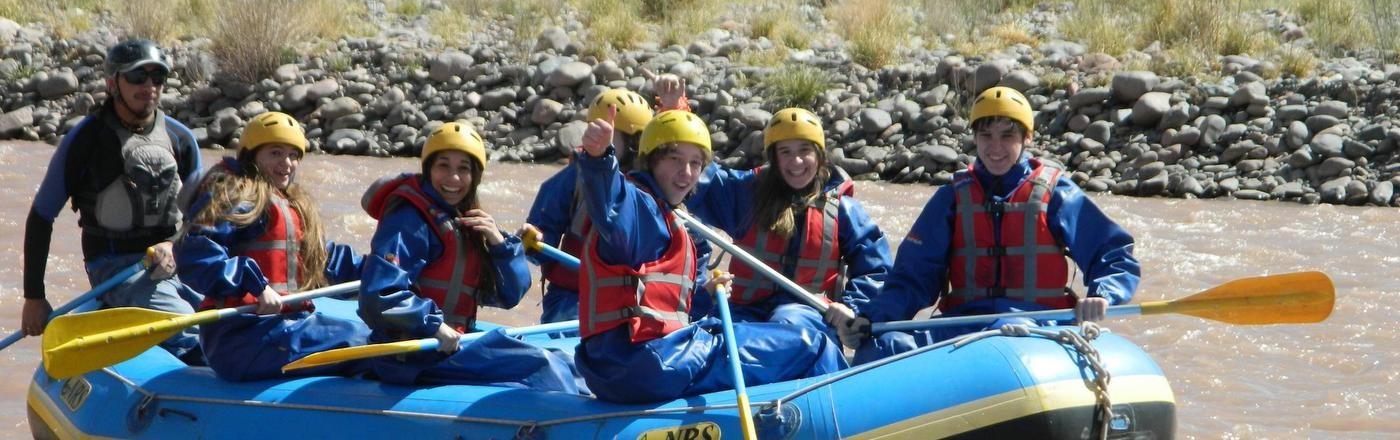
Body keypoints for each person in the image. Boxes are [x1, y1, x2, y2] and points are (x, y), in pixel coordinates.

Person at [827, 86, 1141, 364]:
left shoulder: (1057, 194)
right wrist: (873, 318)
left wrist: (1103, 295)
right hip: (961, 325)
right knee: (882, 347)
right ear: (975, 137)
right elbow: (912, 278)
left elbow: (1112, 253)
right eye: (986, 136)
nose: (995, 147)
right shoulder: (952, 197)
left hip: (1034, 324)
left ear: (1026, 138)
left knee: (999, 339)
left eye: (1008, 136)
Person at [574, 109, 847, 403]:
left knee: (724, 331)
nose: (687, 173)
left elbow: (660, 301)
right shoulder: (641, 208)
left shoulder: (666, 212)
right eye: (675, 160)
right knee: (813, 345)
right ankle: (845, 417)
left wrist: (703, 294)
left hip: (612, 368)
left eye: (695, 163)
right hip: (653, 362)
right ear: (651, 160)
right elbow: (613, 208)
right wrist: (599, 160)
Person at [358, 122, 579, 392]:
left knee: (563, 360)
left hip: (450, 345)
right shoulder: (409, 219)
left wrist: (500, 246)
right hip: (415, 354)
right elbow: (379, 293)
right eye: (444, 166)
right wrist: (434, 326)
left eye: (463, 168)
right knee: (543, 365)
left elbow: (509, 296)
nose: (453, 179)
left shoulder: (463, 223)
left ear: (474, 176)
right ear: (428, 169)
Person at [21, 38, 202, 361]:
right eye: (137, 77)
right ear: (112, 82)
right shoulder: (86, 140)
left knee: (236, 312)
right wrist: (34, 297)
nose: (148, 86)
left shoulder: (181, 139)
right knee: (187, 330)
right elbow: (41, 217)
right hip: (115, 266)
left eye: (157, 78)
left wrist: (174, 243)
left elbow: (201, 216)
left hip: (176, 258)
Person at [175, 112, 369, 381]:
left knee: (374, 336)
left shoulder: (291, 204)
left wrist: (379, 270)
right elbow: (197, 254)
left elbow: (324, 259)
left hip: (283, 327)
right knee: (363, 342)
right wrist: (255, 285)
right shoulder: (235, 196)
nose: (286, 163)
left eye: (293, 155)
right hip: (241, 337)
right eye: (275, 153)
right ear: (251, 156)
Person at [689, 108, 892, 341]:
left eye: (804, 150)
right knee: (712, 334)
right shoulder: (746, 194)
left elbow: (877, 270)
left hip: (807, 316)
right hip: (742, 312)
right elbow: (689, 178)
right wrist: (676, 111)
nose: (796, 161)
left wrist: (853, 307)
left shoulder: (844, 211)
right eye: (785, 152)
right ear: (774, 158)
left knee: (788, 324)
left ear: (819, 155)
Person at [521, 78, 689, 324]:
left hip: (635, 293)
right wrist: (535, 239)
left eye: (611, 133)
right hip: (574, 294)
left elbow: (682, 154)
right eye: (598, 129)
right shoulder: (576, 177)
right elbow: (542, 235)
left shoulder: (657, 180)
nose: (598, 137)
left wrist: (675, 109)